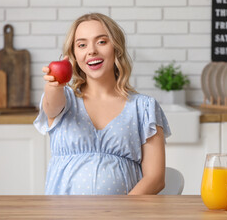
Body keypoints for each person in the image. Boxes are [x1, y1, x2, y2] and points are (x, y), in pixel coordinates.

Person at [34, 13, 171, 195]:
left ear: (116, 48)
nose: (91, 51)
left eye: (101, 42)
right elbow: (51, 106)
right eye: (82, 45)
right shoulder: (64, 99)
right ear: (74, 54)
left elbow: (155, 178)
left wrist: (121, 211)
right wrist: (54, 85)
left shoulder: (143, 108)